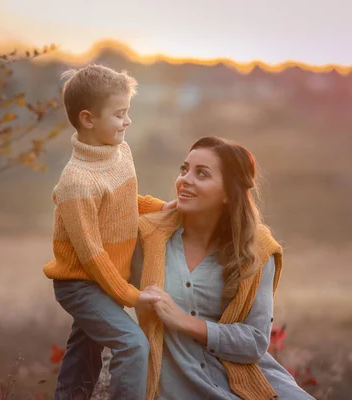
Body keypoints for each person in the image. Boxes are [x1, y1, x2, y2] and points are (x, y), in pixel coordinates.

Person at [131, 136, 315, 400]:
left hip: (249, 385)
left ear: (229, 193)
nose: (185, 179)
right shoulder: (149, 237)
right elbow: (109, 201)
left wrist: (185, 322)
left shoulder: (258, 250)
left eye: (201, 174)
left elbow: (254, 341)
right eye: (184, 170)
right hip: (177, 388)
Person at [43, 64, 176, 400]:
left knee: (83, 353)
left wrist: (162, 208)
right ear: (88, 119)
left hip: (103, 278)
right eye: (119, 114)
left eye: (127, 112)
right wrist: (131, 296)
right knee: (132, 344)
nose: (127, 121)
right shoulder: (76, 182)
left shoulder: (119, 152)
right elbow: (91, 256)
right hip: (81, 283)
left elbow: (125, 202)